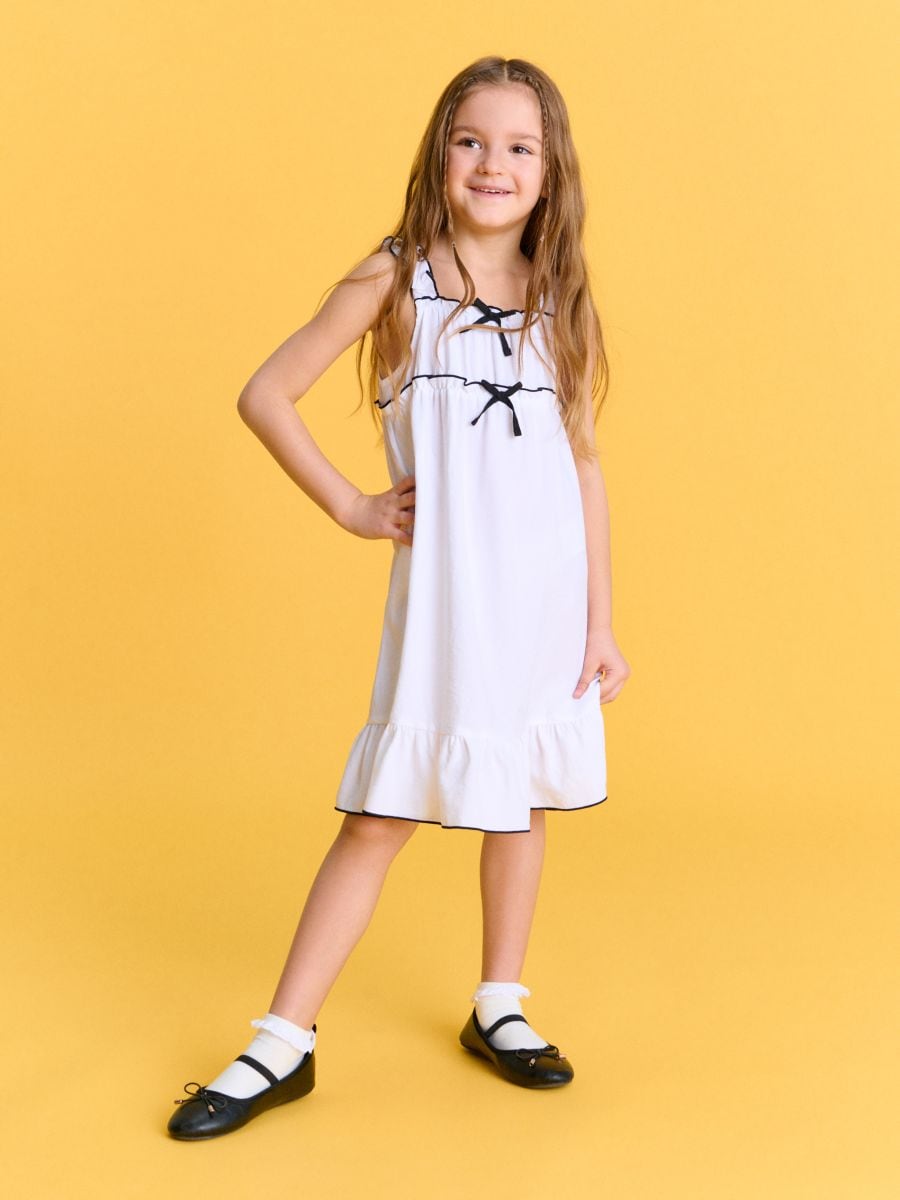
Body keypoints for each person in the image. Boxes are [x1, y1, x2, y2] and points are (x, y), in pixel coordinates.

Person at [167, 54, 630, 1141]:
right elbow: (266, 392)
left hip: (546, 601)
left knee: (523, 794)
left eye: (519, 147)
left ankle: (500, 1001)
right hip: (451, 606)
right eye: (472, 141)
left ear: (551, 171)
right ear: (440, 154)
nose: (493, 164)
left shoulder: (558, 296)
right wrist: (350, 504)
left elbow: (582, 464)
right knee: (380, 816)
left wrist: (601, 618)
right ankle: (282, 1041)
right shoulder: (395, 280)